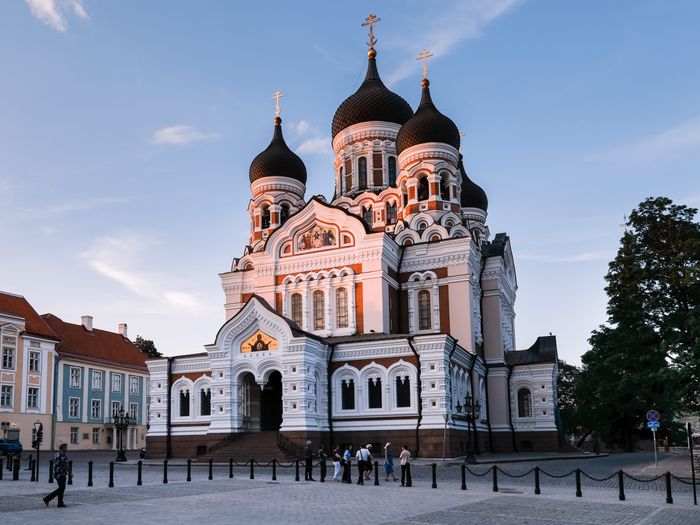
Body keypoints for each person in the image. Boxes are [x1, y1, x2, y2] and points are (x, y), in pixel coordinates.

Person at [43, 443, 71, 508]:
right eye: (65, 448)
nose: (67, 449)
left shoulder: (56, 454)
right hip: (61, 474)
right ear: (62, 448)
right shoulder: (62, 455)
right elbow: (66, 465)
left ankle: (60, 503)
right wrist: (70, 473)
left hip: (56, 473)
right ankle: (47, 499)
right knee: (61, 488)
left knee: (61, 488)